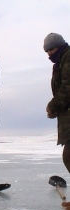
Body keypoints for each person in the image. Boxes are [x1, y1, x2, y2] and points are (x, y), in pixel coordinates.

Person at [44, 33, 70, 174]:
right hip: (67, 118)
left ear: (60, 46)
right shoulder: (61, 60)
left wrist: (53, 105)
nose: (49, 54)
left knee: (68, 156)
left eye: (51, 49)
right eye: (47, 51)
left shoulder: (68, 57)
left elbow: (68, 87)